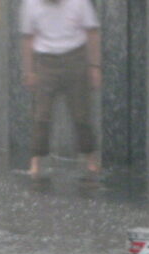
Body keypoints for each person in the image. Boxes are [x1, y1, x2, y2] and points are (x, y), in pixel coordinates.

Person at [20, 0, 102, 177]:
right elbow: (28, 37)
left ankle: (90, 159)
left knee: (81, 113)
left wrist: (94, 66)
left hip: (75, 59)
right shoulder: (31, 4)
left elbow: (92, 31)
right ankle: (35, 162)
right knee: (41, 114)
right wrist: (30, 71)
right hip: (46, 62)